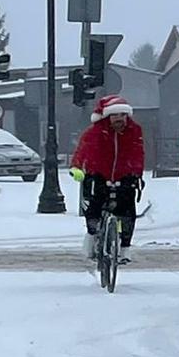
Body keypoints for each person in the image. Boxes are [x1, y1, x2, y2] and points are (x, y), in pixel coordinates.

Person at [69, 95, 145, 264]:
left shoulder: (134, 130)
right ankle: (92, 236)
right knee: (94, 207)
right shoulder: (95, 132)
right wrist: (76, 167)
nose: (120, 119)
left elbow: (138, 152)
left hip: (124, 175)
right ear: (107, 117)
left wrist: (136, 173)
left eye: (123, 115)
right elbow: (82, 150)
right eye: (115, 115)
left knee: (127, 212)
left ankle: (125, 247)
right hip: (99, 174)